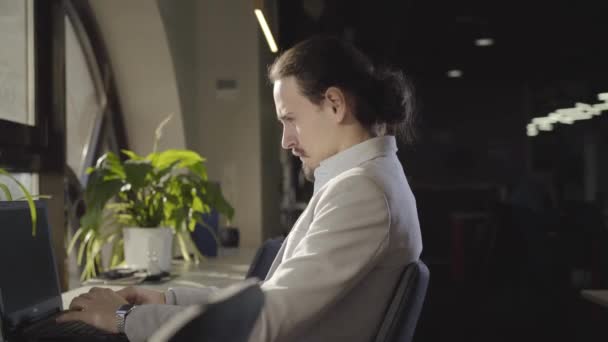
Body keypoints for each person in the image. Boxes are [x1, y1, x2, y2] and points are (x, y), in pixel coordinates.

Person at [58, 35, 423, 342]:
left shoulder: (363, 192)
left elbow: (262, 322)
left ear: (334, 104)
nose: (285, 141)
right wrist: (164, 298)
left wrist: (123, 319)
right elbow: (266, 299)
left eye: (290, 119)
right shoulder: (368, 180)